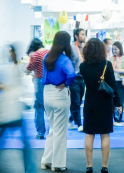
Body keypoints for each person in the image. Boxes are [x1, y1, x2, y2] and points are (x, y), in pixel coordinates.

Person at [0, 45, 33, 173]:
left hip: (10, 110)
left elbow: (8, 87)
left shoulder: (13, 69)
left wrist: (2, 87)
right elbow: (17, 88)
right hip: (12, 110)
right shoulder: (13, 69)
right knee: (23, 141)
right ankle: (29, 168)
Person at [80, 38, 120, 173]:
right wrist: (118, 103)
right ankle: (104, 166)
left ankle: (89, 165)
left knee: (89, 134)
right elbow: (113, 86)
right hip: (105, 102)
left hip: (90, 101)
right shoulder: (107, 64)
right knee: (105, 134)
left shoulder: (83, 66)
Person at [41, 31, 76, 172]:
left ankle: (46, 161)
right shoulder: (64, 59)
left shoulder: (47, 57)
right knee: (60, 131)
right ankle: (58, 164)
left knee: (52, 129)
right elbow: (72, 74)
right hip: (59, 94)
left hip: (47, 93)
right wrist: (66, 83)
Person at [26, 38, 49, 139]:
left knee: (39, 107)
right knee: (50, 106)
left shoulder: (35, 55)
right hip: (51, 81)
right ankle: (54, 131)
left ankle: (40, 132)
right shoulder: (49, 52)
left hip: (40, 81)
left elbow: (28, 68)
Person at [69, 28, 86, 131]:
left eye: (84, 34)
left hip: (83, 78)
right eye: (82, 34)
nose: (84, 36)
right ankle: (79, 124)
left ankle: (71, 118)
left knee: (79, 102)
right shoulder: (71, 47)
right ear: (76, 36)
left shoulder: (84, 47)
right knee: (75, 101)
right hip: (74, 78)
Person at [110, 42, 124, 126]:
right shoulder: (111, 58)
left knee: (120, 100)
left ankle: (119, 118)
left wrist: (116, 70)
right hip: (112, 82)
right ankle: (113, 118)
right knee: (112, 101)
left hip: (121, 82)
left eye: (116, 49)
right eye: (113, 49)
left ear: (120, 49)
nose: (114, 51)